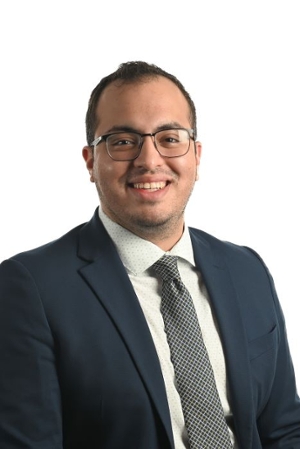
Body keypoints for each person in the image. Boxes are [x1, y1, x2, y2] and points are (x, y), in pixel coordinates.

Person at [0, 61, 299, 449]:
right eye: (123, 141)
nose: (149, 159)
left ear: (196, 155)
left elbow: (284, 429)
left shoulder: (248, 270)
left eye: (170, 138)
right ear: (91, 161)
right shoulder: (30, 287)